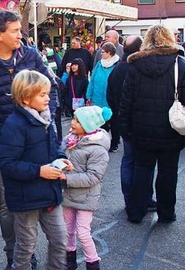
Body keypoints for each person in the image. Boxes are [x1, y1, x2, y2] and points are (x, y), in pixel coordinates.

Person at [0, 10, 58, 270]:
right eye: (15, 31)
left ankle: (39, 252)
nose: (21, 35)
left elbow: (52, 88)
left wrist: (50, 129)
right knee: (7, 203)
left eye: (20, 30)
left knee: (43, 196)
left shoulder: (31, 56)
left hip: (38, 141)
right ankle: (15, 256)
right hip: (3, 146)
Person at [118, 25, 185, 224]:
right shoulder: (179, 65)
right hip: (171, 131)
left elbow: (126, 101)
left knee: (142, 170)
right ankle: (166, 213)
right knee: (168, 173)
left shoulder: (136, 66)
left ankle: (136, 211)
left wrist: (125, 128)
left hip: (142, 129)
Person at [0, 70, 69, 270]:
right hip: (25, 198)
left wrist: (62, 159)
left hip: (49, 193)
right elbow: (8, 164)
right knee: (26, 246)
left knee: (60, 240)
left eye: (47, 93)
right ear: (26, 99)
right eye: (42, 94)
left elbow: (54, 148)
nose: (48, 98)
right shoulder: (14, 125)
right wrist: (39, 171)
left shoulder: (45, 120)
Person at [105, 36, 157, 212]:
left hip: (122, 121)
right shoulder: (140, 69)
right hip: (141, 123)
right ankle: (143, 199)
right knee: (144, 162)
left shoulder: (117, 69)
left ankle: (129, 199)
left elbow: (109, 94)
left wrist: (117, 115)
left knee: (128, 160)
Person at [62, 106, 112, 270]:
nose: (73, 122)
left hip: (86, 197)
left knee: (83, 233)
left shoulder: (98, 150)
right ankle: (69, 261)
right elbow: (60, 154)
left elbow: (94, 177)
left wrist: (66, 178)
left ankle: (92, 263)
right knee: (67, 230)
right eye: (74, 118)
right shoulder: (71, 139)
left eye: (77, 120)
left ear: (89, 125)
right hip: (68, 194)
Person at [86, 42, 120, 150]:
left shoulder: (117, 65)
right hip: (97, 98)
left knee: (113, 122)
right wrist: (89, 95)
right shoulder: (99, 65)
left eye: (103, 52)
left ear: (109, 53)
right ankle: (101, 143)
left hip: (111, 100)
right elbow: (92, 80)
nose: (101, 54)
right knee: (100, 123)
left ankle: (114, 143)